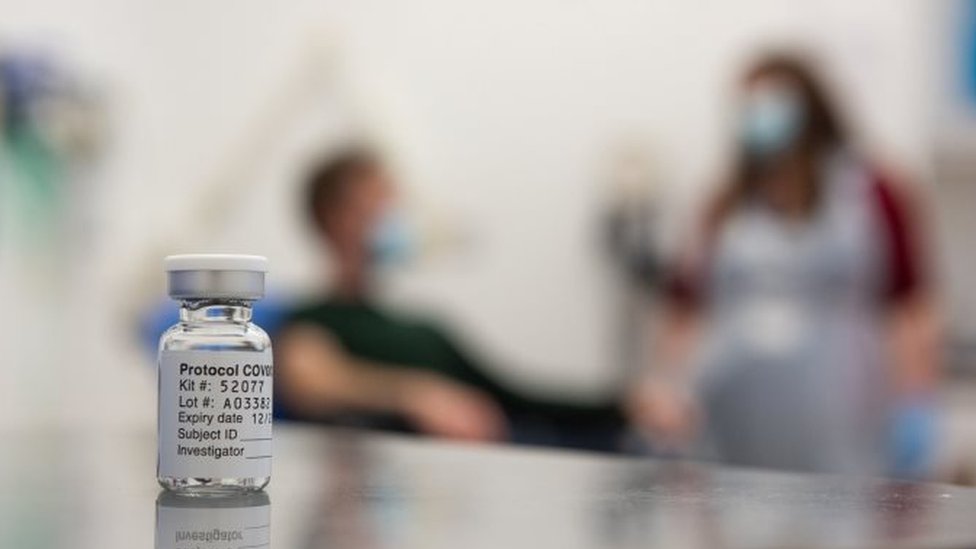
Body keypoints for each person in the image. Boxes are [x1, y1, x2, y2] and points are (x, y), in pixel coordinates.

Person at [629, 53, 942, 475]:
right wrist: (665, 385)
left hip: (844, 412)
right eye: (749, 105)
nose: (759, 116)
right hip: (730, 414)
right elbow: (686, 307)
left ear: (810, 108)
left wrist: (915, 401)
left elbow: (908, 307)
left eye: (772, 103)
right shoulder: (725, 203)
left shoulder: (873, 192)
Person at [276, 148, 624, 449]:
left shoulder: (425, 327)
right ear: (334, 218)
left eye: (392, 202)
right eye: (377, 203)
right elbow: (310, 380)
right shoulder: (314, 319)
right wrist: (417, 395)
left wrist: (622, 407)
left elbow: (517, 396)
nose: (393, 217)